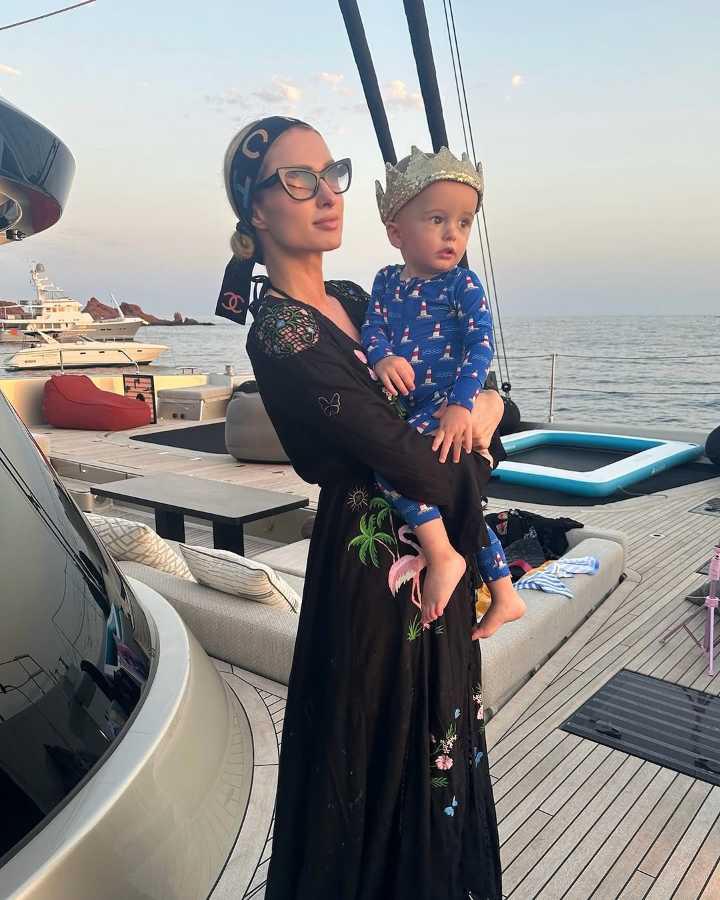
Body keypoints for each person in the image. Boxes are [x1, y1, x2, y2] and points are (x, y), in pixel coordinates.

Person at [216, 116, 503, 900]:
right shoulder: (280, 331)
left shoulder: (354, 296)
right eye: (298, 179)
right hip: (372, 570)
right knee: (374, 757)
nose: (326, 195)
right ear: (256, 209)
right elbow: (407, 456)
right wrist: (483, 435)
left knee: (439, 745)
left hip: (431, 547)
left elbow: (448, 388)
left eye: (330, 174)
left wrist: (489, 403)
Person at [362, 146, 526, 637]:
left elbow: (481, 345)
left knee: (391, 466)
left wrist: (461, 405)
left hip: (445, 406)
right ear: (396, 233)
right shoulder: (386, 282)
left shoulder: (462, 284)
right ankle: (505, 593)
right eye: (437, 219)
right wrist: (381, 358)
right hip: (413, 406)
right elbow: (373, 329)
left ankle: (441, 553)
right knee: (459, 504)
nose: (453, 234)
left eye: (464, 222)